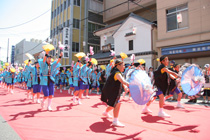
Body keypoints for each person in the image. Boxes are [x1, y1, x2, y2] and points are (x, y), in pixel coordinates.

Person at [101, 60, 129, 127]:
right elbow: (123, 81)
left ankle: (105, 112)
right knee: (117, 104)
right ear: (118, 65)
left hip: (111, 91)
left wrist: (125, 87)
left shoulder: (117, 72)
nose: (124, 67)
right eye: (123, 65)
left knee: (112, 105)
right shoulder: (117, 73)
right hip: (111, 92)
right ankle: (115, 121)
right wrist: (134, 84)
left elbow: (121, 82)